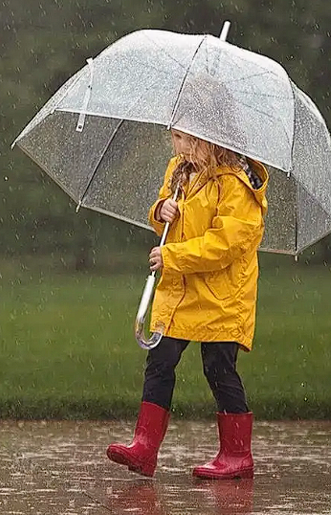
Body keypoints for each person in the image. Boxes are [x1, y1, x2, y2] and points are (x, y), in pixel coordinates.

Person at [106, 127, 268, 480]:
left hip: (223, 296)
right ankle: (144, 447)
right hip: (179, 292)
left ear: (205, 139)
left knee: (219, 368)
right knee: (159, 360)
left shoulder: (236, 184)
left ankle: (237, 454)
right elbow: (167, 225)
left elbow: (225, 244)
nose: (175, 144)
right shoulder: (179, 171)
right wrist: (159, 210)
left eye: (181, 137)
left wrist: (173, 257)